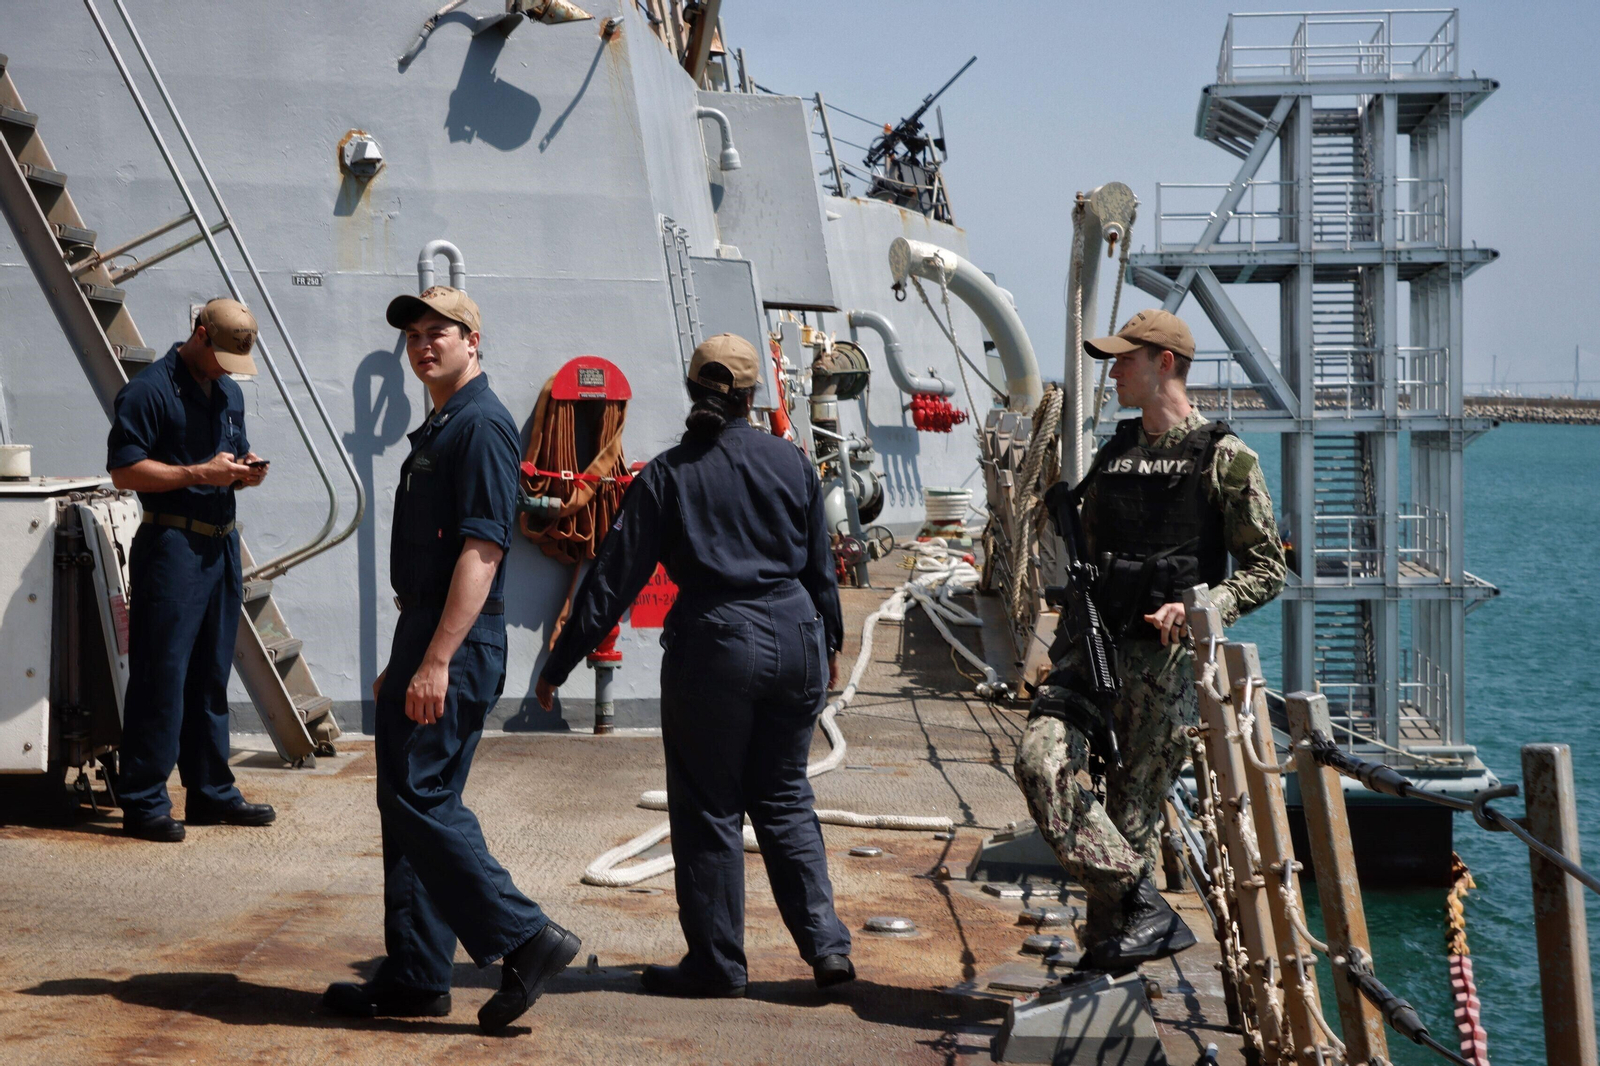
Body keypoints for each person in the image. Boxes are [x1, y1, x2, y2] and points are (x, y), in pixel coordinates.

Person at [534, 333, 855, 999]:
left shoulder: (669, 475)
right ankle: (827, 949)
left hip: (716, 647)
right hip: (794, 633)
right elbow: (822, 568)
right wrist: (829, 645)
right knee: (786, 796)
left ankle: (718, 964)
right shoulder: (794, 463)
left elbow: (612, 582)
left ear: (691, 390)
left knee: (709, 806)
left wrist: (558, 664)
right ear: (749, 396)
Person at [322, 286, 579, 1032]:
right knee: (404, 807)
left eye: (441, 332)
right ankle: (415, 976)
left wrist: (435, 660)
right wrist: (408, 659)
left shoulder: (482, 427)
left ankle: (527, 938)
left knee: (420, 799)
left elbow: (483, 549)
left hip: (455, 639)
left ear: (474, 341)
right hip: (428, 634)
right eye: (414, 336)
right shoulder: (442, 424)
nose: (424, 346)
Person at [1014, 309, 1286, 972]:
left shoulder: (1227, 459)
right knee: (1039, 762)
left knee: (1131, 818)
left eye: (1124, 360)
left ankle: (1107, 962)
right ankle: (1142, 904)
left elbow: (1266, 569)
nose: (1112, 373)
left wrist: (1203, 608)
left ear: (1164, 364)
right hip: (1092, 651)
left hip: (1164, 670)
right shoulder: (1115, 453)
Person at [107, 298, 274, 843]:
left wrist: (245, 474)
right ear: (200, 334)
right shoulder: (149, 391)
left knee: (209, 676)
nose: (229, 368)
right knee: (162, 676)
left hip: (219, 546)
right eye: (222, 354)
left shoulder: (228, 392)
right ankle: (143, 801)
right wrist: (197, 472)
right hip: (172, 544)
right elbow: (125, 471)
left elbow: (232, 453)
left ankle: (210, 792)